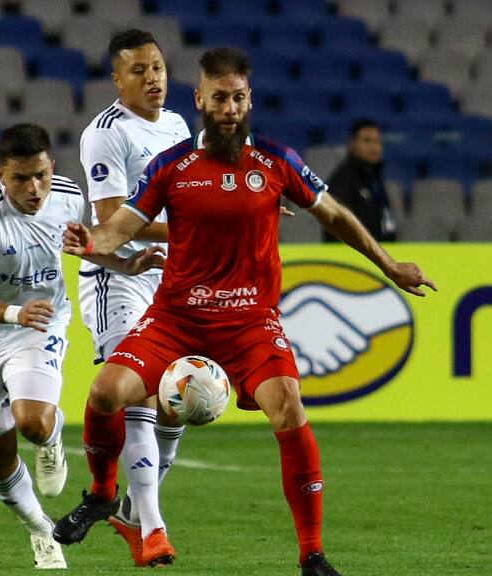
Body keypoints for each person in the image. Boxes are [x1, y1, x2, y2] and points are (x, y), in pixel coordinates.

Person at [53, 47, 436, 575]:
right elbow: (123, 225)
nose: (229, 109)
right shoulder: (172, 165)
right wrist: (91, 240)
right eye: (219, 98)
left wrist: (389, 265)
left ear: (249, 99)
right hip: (178, 316)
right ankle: (101, 493)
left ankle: (312, 555)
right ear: (200, 100)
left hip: (250, 320)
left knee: (289, 407)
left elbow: (335, 215)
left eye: (237, 98)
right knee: (104, 392)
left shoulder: (277, 161)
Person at [0, 123, 164, 569]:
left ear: (52, 167)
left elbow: (80, 248)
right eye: (21, 178)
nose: (35, 188)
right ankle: (39, 529)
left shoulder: (67, 196)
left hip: (42, 322)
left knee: (32, 420)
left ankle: (49, 435)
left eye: (41, 175)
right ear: (0, 174)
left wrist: (125, 265)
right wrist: (14, 313)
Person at [77, 29, 191, 566]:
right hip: (119, 275)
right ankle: (153, 529)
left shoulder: (179, 126)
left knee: (179, 398)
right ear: (117, 80)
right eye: (139, 70)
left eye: (158, 67)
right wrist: (194, 230)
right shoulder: (106, 133)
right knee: (140, 395)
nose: (152, 79)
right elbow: (110, 220)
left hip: (173, 276)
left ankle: (132, 513)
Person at [322, 118, 397, 242]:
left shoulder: (375, 176)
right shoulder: (342, 181)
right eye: (366, 141)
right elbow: (337, 228)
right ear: (352, 143)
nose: (373, 147)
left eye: (377, 141)